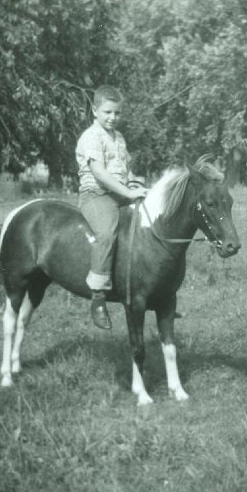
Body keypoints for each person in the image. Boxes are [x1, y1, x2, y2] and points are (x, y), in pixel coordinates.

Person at [75, 85, 148, 329]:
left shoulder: (119, 138)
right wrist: (127, 191)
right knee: (106, 233)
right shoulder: (91, 137)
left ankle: (149, 288)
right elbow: (99, 172)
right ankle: (97, 298)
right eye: (107, 112)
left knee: (148, 226)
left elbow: (126, 172)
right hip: (96, 195)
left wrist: (137, 185)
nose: (112, 118)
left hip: (119, 194)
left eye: (117, 113)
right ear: (94, 111)